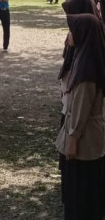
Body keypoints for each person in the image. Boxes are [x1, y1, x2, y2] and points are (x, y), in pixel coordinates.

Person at [56, 13, 105, 220]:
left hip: (85, 141)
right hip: (87, 137)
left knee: (82, 194)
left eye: (72, 31)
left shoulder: (87, 70)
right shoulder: (87, 58)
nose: (69, 36)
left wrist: (72, 140)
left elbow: (81, 109)